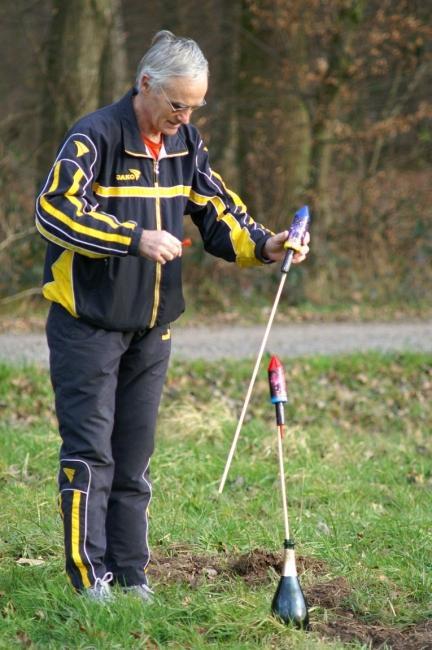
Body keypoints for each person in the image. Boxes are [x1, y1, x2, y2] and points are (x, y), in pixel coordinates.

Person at [35, 30, 310, 602]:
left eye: (194, 107)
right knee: (92, 456)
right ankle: (92, 581)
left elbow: (218, 212)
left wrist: (269, 244)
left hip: (152, 328)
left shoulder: (186, 145)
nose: (183, 118)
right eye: (177, 105)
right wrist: (132, 238)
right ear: (146, 86)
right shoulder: (93, 137)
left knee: (134, 463)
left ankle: (133, 577)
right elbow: (53, 212)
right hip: (86, 325)